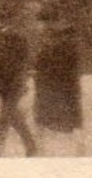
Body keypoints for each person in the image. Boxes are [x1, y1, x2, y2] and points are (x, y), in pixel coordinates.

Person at [0, 9, 38, 157]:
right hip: (2, 83)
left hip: (13, 82)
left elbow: (24, 60)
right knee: (12, 115)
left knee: (6, 116)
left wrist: (22, 77)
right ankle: (31, 146)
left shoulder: (16, 39)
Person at [34, 14, 85, 155]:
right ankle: (77, 141)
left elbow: (46, 64)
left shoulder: (53, 46)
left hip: (53, 84)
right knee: (72, 113)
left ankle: (40, 140)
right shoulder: (66, 48)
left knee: (44, 112)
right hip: (63, 84)